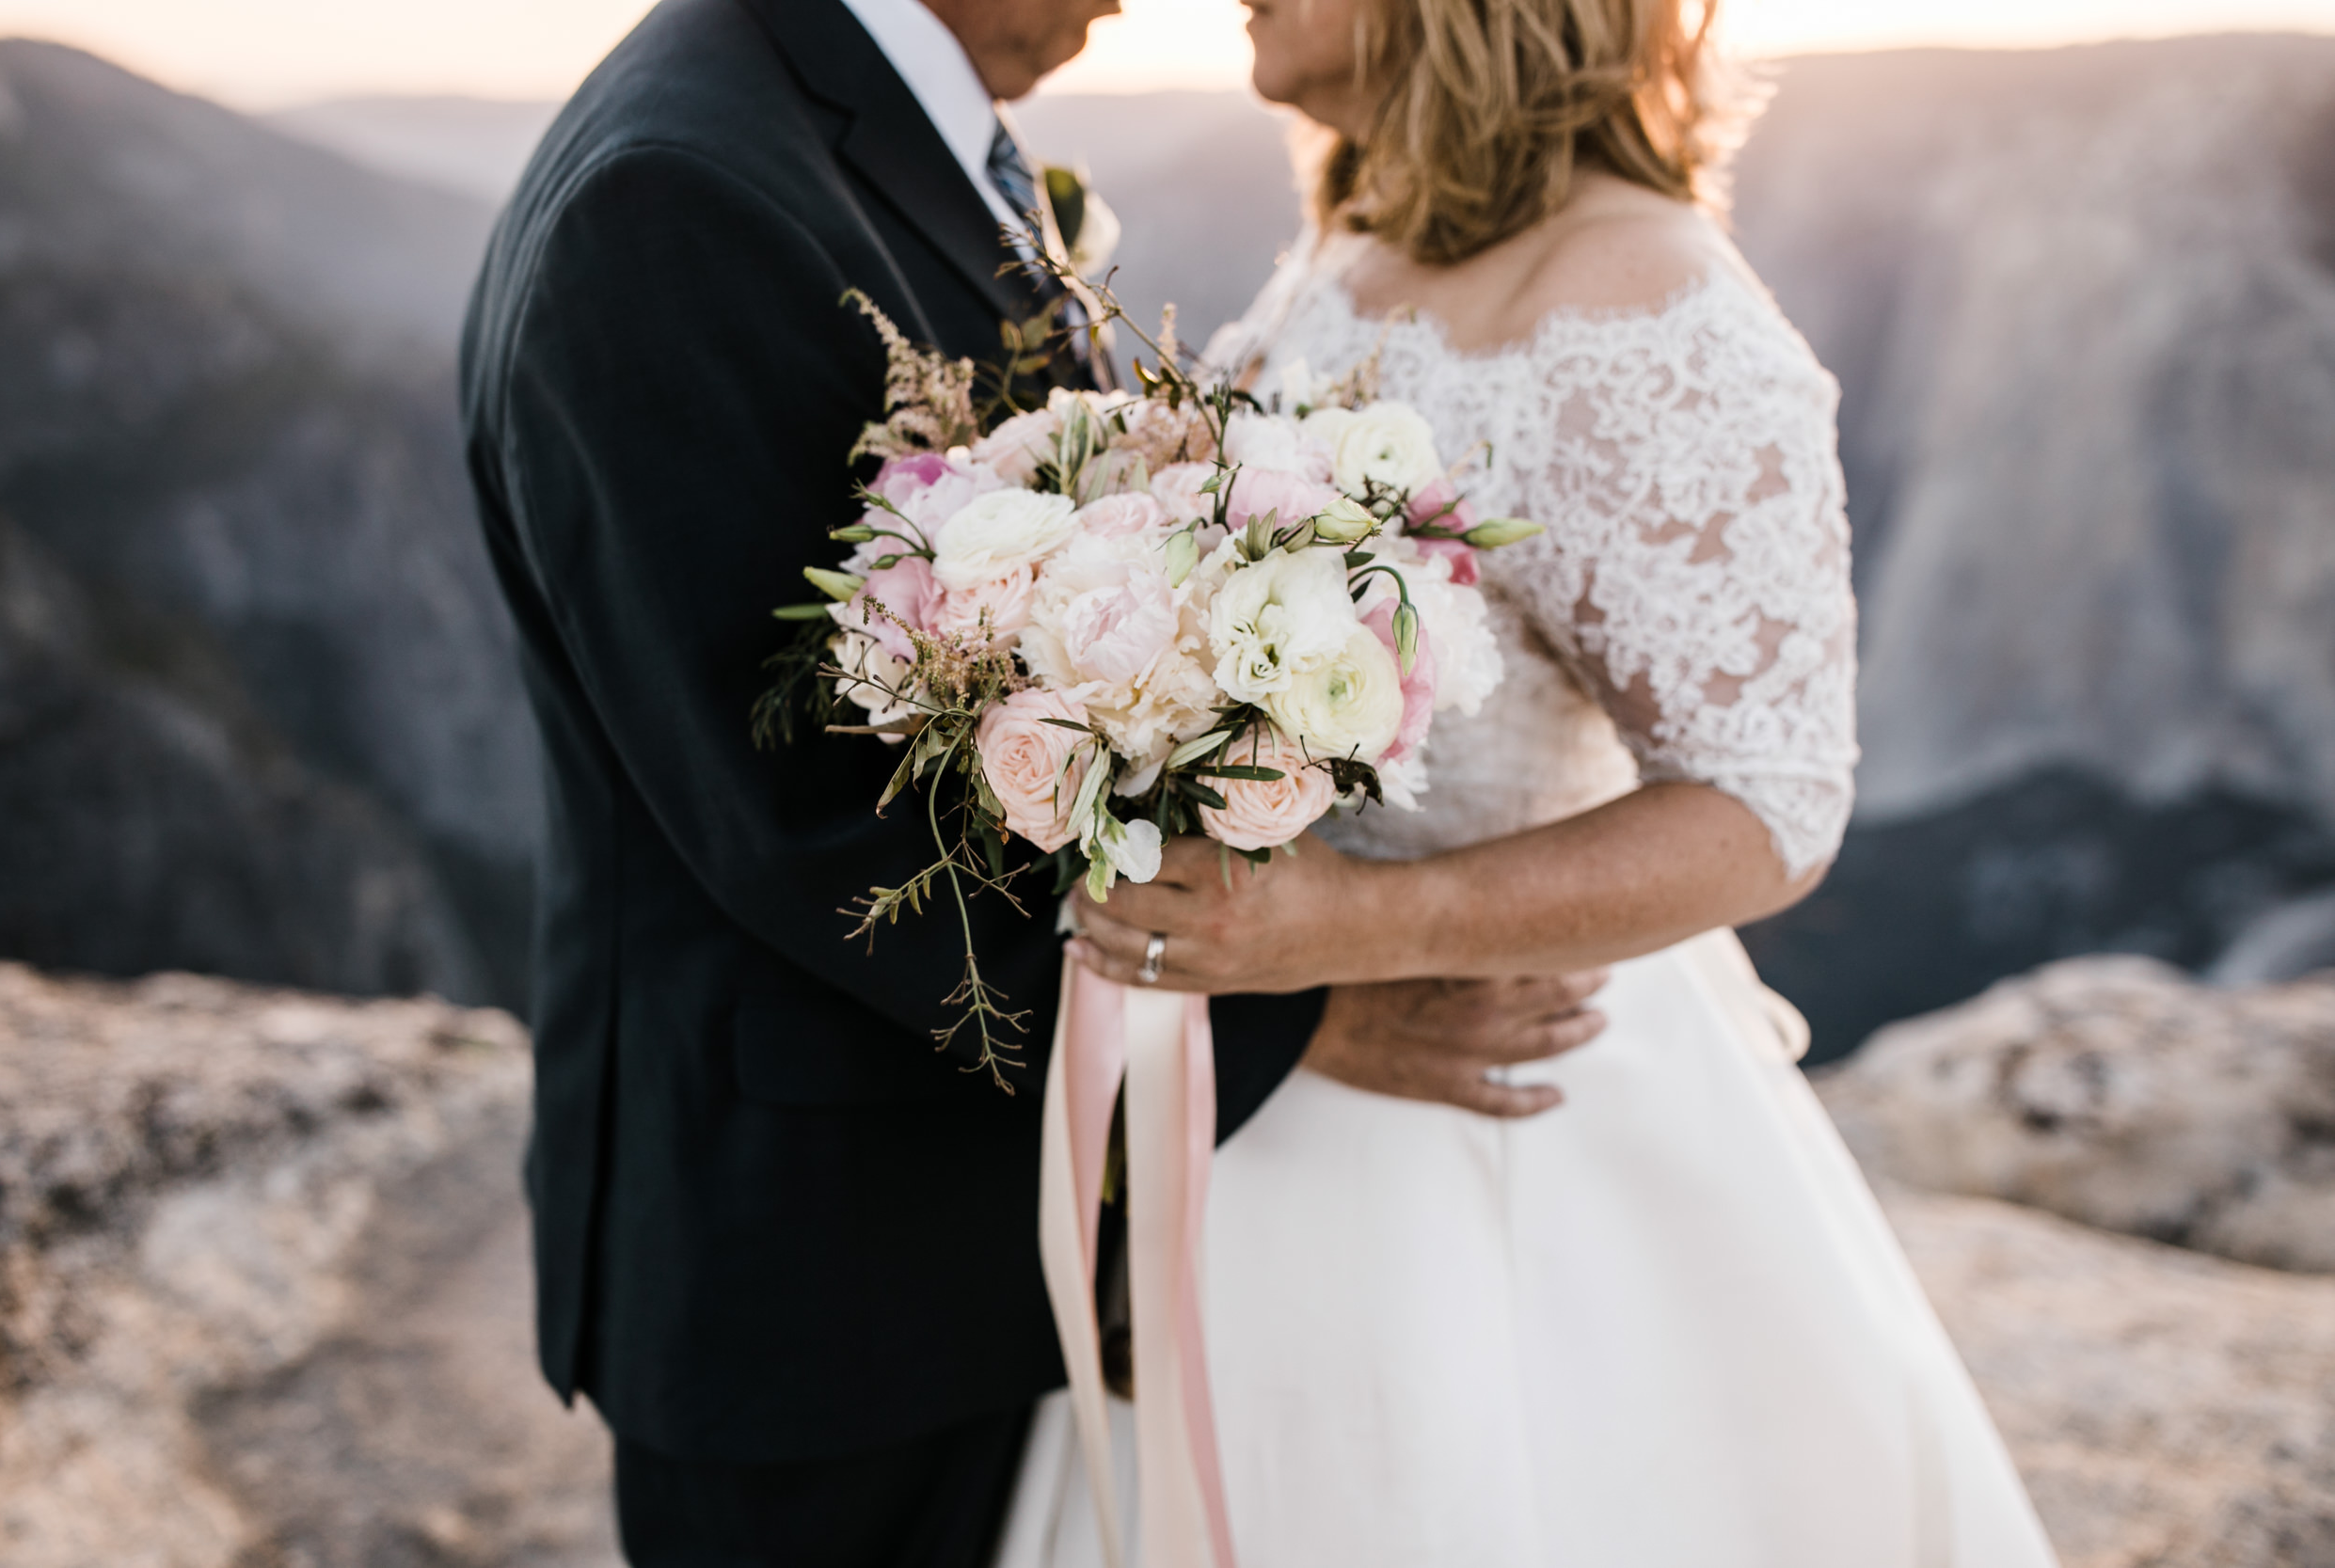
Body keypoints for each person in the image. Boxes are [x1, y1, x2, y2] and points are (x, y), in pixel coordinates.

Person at [458, 1, 1609, 1562]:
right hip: (819, 1280)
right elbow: (803, 818)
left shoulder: (845, 121)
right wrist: (1302, 999)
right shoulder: (676, 192)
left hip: (951, 1238)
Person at [1014, 0, 2062, 1562]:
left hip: (1501, 1111)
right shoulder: (1360, 231)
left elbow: (1769, 803)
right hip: (1275, 1094)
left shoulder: (1647, 302)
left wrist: (1351, 936)